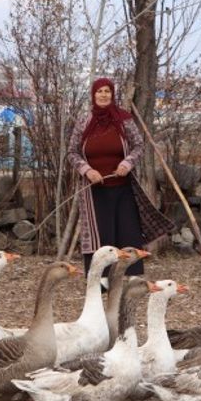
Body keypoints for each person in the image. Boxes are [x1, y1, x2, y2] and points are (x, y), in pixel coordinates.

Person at [67, 77, 174, 279]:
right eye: (99, 91)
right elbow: (72, 152)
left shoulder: (124, 120)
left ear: (112, 94)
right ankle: (100, 280)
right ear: (93, 95)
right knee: (101, 234)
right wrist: (88, 171)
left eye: (107, 91)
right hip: (94, 190)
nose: (103, 95)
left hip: (123, 187)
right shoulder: (84, 122)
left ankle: (130, 279)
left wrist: (127, 163)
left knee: (127, 231)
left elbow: (139, 145)